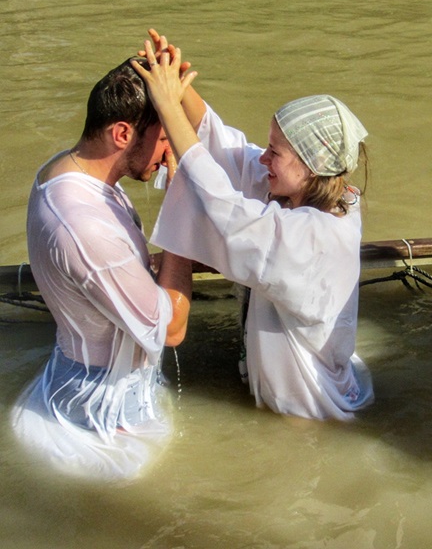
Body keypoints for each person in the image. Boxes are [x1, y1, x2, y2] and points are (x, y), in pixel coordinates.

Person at [132, 30, 374, 421]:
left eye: (274, 152)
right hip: (295, 391)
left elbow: (226, 213)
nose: (263, 159)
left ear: (313, 166)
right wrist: (176, 88)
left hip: (308, 412)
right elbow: (231, 152)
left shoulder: (315, 237)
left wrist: (168, 109)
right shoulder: (326, 193)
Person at [10, 58, 193, 480]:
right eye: (166, 139)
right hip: (105, 408)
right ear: (122, 133)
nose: (172, 153)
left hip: (80, 369)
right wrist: (183, 210)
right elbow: (172, 329)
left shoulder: (64, 171)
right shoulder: (85, 226)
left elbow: (113, 268)